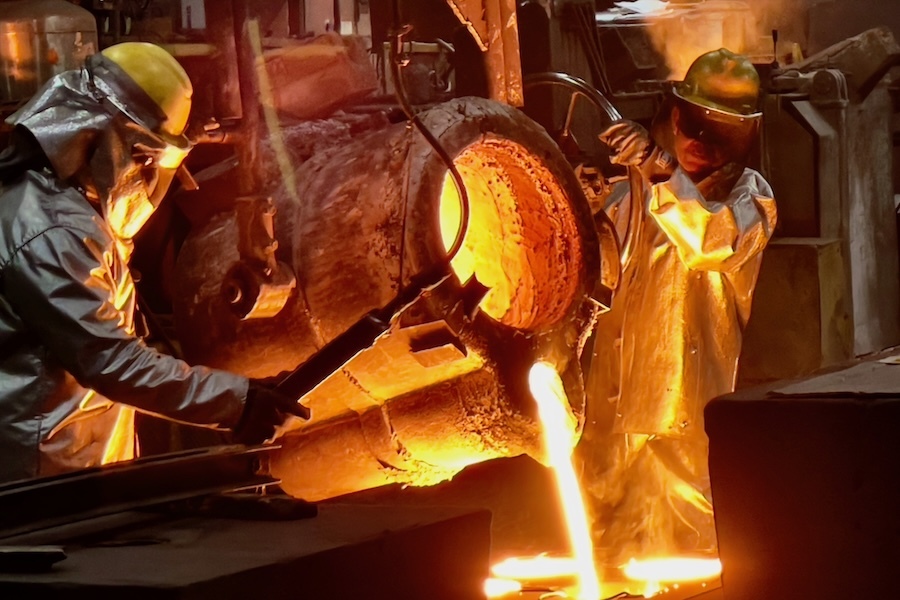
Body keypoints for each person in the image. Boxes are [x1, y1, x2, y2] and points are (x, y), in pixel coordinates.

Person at [0, 42, 309, 484]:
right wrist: (237, 403)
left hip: (72, 469)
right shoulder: (50, 231)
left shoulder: (65, 211)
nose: (145, 177)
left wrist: (244, 396)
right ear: (111, 141)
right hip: (38, 479)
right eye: (145, 160)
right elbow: (111, 361)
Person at [578, 48, 777, 566]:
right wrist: (586, 203)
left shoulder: (749, 198)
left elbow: (711, 242)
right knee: (603, 545)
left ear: (744, 136)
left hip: (683, 413)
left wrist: (658, 166)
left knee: (694, 552)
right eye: (693, 126)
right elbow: (598, 269)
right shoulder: (637, 187)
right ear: (675, 116)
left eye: (719, 134)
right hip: (612, 403)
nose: (699, 142)